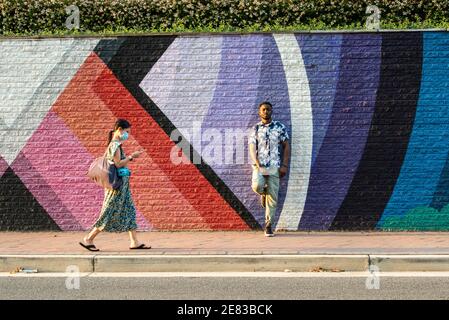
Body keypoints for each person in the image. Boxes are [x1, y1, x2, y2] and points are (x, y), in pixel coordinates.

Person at [79, 119, 150, 251]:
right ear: (119, 129)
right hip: (117, 187)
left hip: (122, 186)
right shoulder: (115, 145)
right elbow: (118, 164)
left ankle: (134, 242)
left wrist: (129, 158)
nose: (128, 135)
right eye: (127, 132)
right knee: (108, 211)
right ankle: (89, 238)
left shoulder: (116, 144)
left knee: (129, 211)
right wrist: (130, 156)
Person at [249, 102, 290, 237]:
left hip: (274, 166)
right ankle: (263, 192)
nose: (266, 111)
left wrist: (284, 165)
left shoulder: (280, 127)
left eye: (268, 109)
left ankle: (268, 225)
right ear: (259, 112)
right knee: (257, 185)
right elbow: (252, 148)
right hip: (259, 166)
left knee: (273, 197)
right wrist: (257, 163)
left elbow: (286, 146)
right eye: (263, 109)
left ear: (271, 111)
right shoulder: (255, 129)